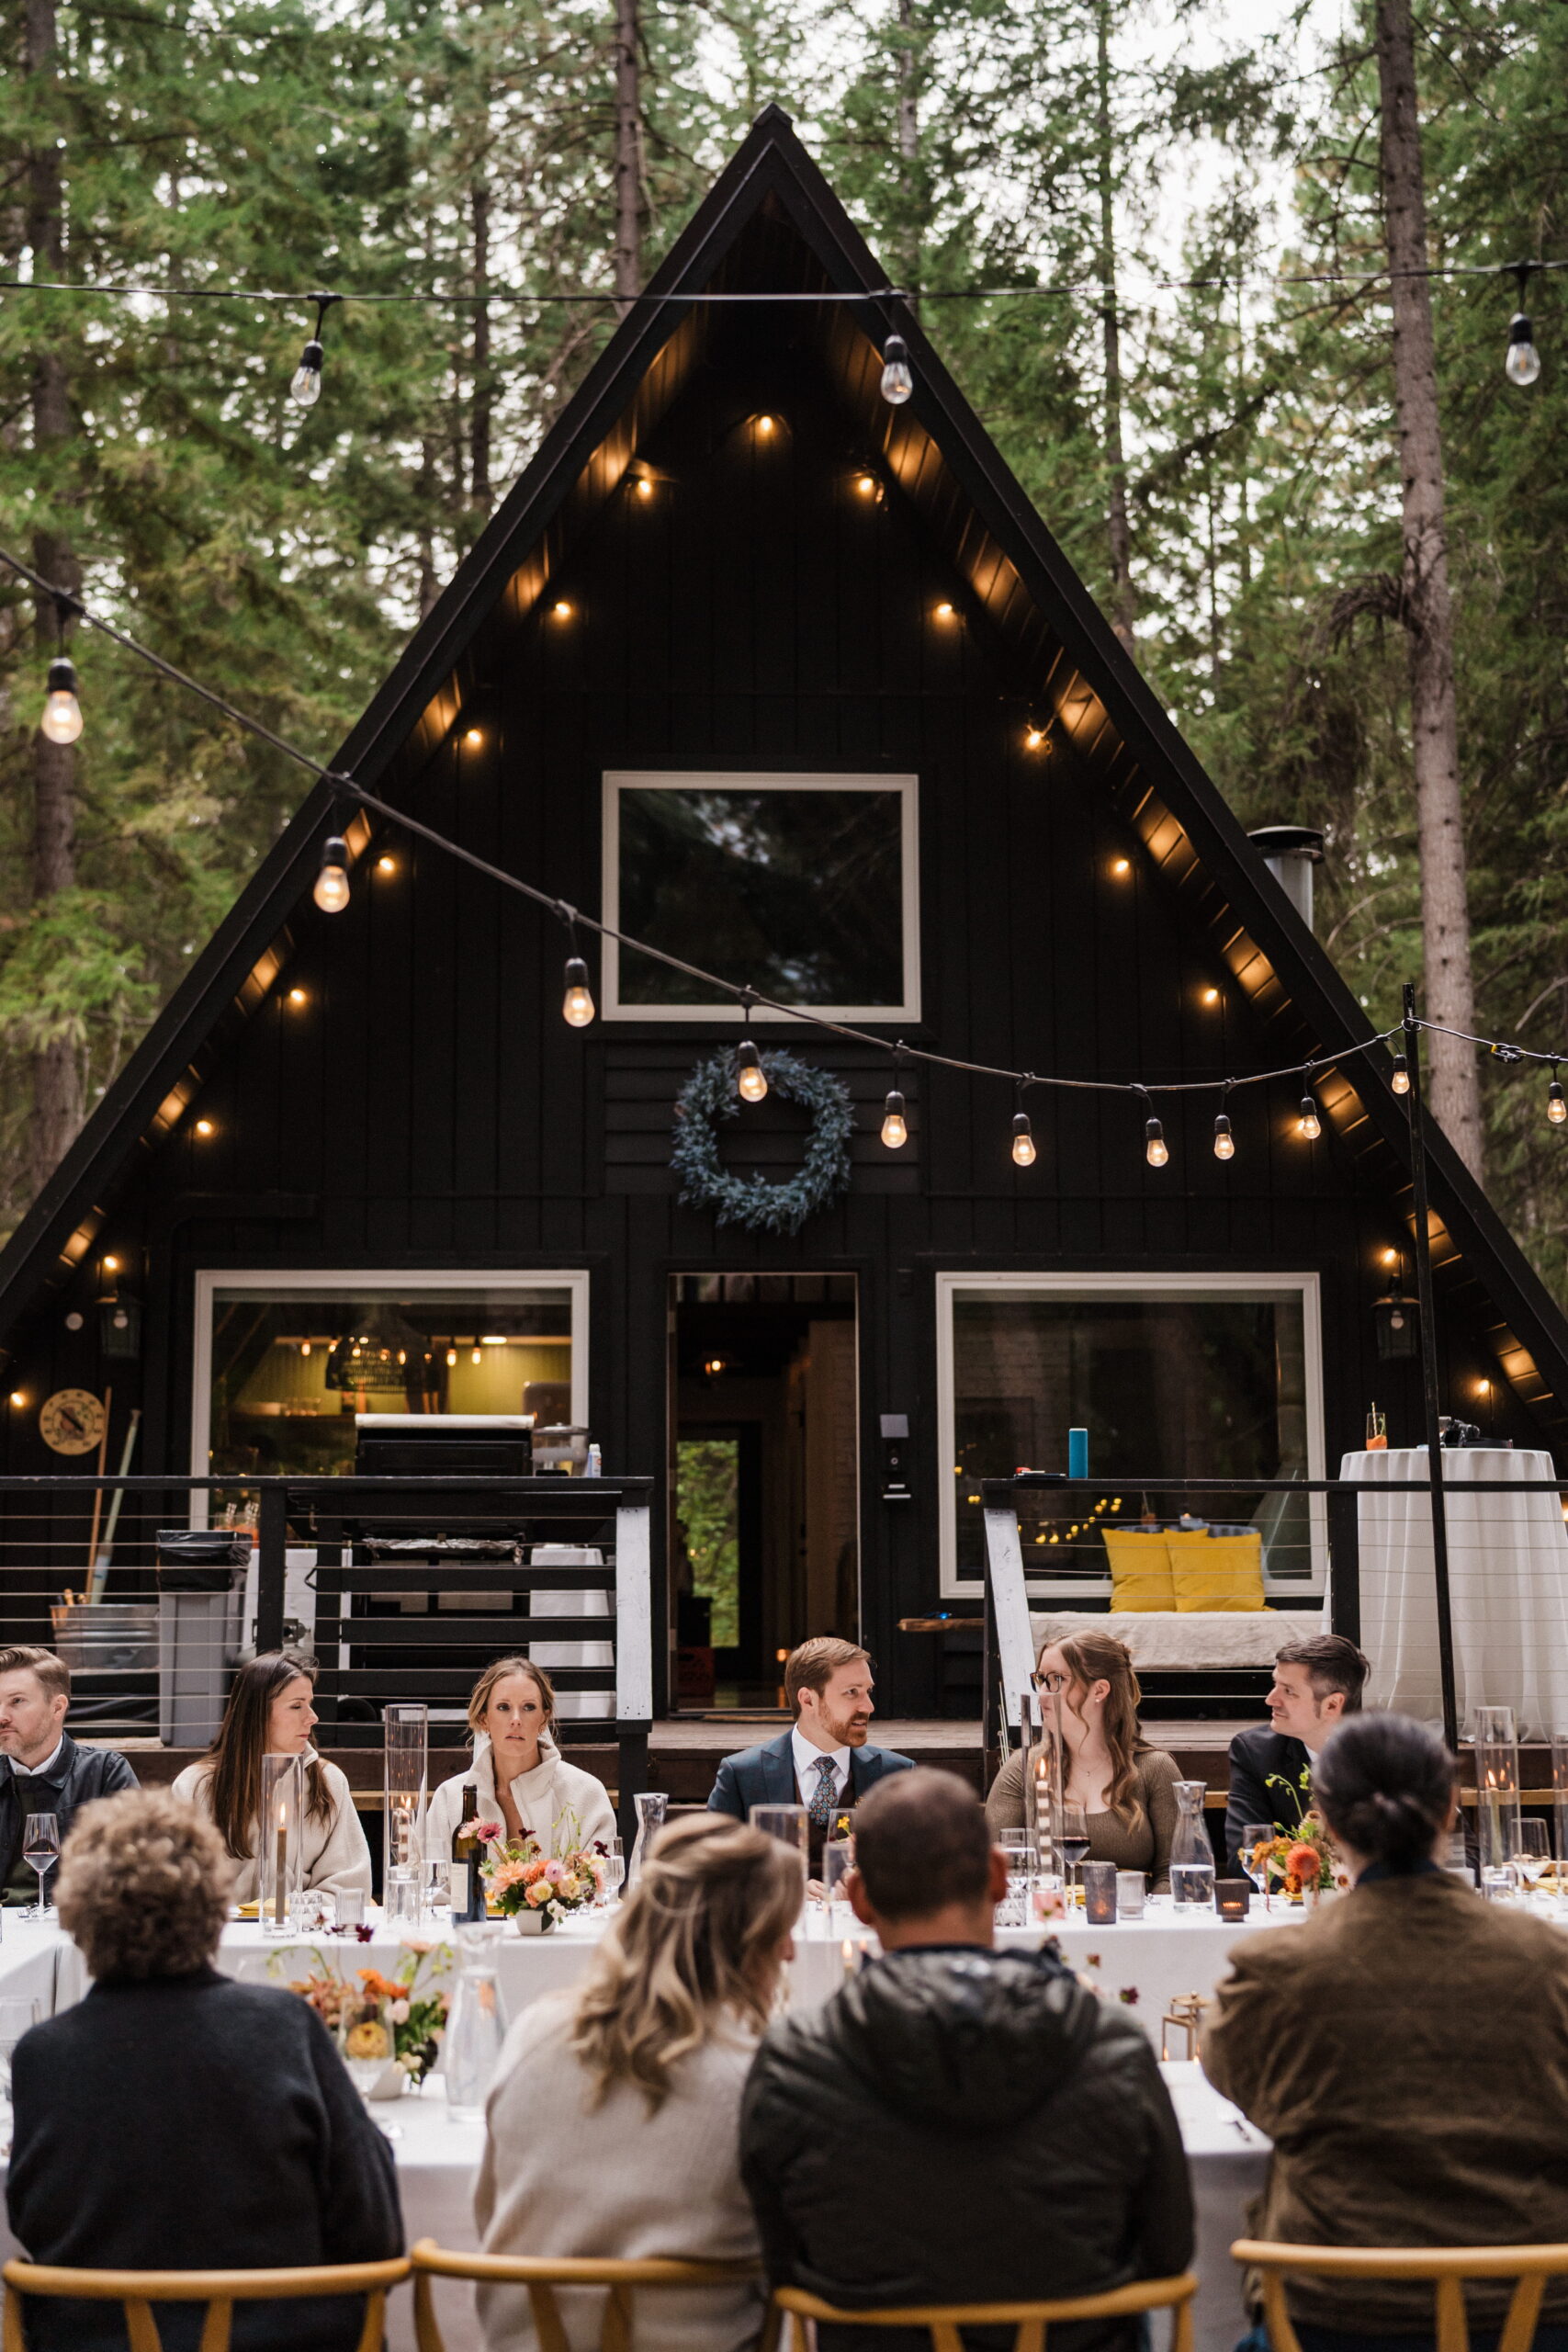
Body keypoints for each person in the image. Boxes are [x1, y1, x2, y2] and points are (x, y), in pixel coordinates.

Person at [741, 1769, 1192, 2352]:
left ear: (859, 1900)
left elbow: (779, 2260)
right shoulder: (1111, 2043)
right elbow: (1168, 2251)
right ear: (1000, 1879)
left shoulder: (795, 2061)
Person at [1204, 1712, 1568, 2348]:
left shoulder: (1275, 1970)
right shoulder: (1551, 1961)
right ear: (1451, 1809)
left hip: (1339, 2308)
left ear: (1326, 1817)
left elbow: (1242, 2087)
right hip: (1530, 2303)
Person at [6, 1787, 401, 2352]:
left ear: (77, 1916)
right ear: (214, 1906)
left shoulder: (44, 2056)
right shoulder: (283, 2027)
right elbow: (375, 2228)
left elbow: (37, 2226)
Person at [475, 1813, 800, 2352]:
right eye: (780, 1931)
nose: (790, 1952)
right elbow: (789, 2254)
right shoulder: (751, 2081)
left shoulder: (534, 2032)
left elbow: (490, 2212)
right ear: (741, 1939)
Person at [985, 1631, 1182, 1891]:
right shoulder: (1023, 1768)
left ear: (1099, 1689)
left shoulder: (1154, 1768)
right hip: (1048, 1920)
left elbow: (1174, 1875)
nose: (1043, 1693)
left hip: (1133, 1922)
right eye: (1041, 1679)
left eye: (1057, 1679)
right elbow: (994, 1869)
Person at [173, 1650, 372, 1902]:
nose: (312, 1717)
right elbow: (174, 1886)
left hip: (303, 1934)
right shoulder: (195, 1785)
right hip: (221, 1935)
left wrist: (289, 1909)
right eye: (296, 1706)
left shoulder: (329, 1781)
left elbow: (350, 1885)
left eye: (310, 1704)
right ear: (257, 1713)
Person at [707, 1638, 913, 1867]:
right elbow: (714, 1869)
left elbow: (915, 1868)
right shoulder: (743, 1773)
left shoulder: (897, 1774)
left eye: (868, 1691)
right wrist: (784, 1888)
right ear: (808, 1700)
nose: (868, 1706)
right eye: (852, 1692)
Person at [423, 1657, 615, 1860]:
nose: (516, 1719)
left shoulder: (586, 1795)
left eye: (529, 1707)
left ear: (543, 1719)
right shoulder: (449, 1799)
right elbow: (432, 1885)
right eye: (503, 1707)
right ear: (484, 1719)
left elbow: (601, 1884)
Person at [0, 1644, 137, 1906]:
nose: (2, 1716)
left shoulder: (105, 1773)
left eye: (16, 1701)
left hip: (76, 1929)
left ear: (57, 1707)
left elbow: (136, 1869)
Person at [1224, 1634, 1371, 1872]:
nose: (1271, 1699)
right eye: (1275, 1685)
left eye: (1289, 1691)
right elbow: (1247, 1861)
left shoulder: (1383, 1756)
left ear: (1332, 1705)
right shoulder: (1256, 1753)